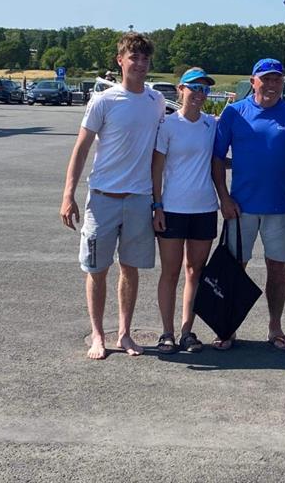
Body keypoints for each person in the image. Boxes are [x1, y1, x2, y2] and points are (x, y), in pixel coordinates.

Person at [60, 32, 166, 360]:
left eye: (145, 59)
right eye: (134, 58)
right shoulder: (104, 101)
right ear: (120, 61)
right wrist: (68, 194)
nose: (140, 64)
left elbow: (161, 152)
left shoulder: (156, 101)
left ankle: (124, 333)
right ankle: (97, 334)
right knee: (96, 268)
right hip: (103, 197)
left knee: (130, 268)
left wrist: (157, 202)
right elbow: (81, 148)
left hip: (138, 199)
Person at [212, 58, 285, 351]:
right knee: (234, 269)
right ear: (253, 82)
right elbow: (216, 159)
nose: (272, 85)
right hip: (240, 207)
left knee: (277, 271)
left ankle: (275, 327)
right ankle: (228, 327)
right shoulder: (234, 113)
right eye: (266, 79)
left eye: (277, 79)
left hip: (279, 207)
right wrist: (223, 198)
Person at [152, 68, 219, 354]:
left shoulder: (211, 125)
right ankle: (166, 332)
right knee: (170, 272)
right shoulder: (167, 125)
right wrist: (156, 206)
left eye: (205, 89)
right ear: (180, 89)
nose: (200, 94)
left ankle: (186, 331)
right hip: (172, 209)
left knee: (195, 271)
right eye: (195, 88)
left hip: (204, 208)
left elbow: (219, 160)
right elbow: (156, 169)